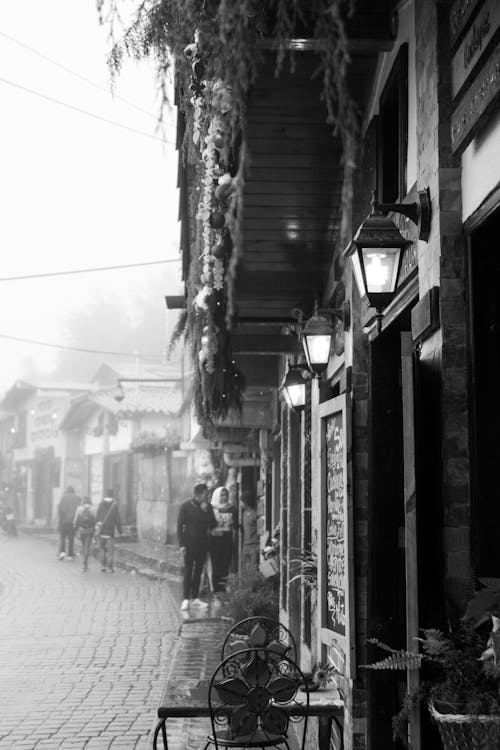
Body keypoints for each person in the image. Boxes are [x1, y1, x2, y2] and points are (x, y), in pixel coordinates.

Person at [177, 481, 216, 611]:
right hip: (188, 544)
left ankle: (195, 599)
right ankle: (186, 599)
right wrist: (182, 545)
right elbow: (179, 526)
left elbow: (213, 523)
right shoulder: (186, 506)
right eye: (206, 494)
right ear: (199, 494)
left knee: (198, 571)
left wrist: (206, 511)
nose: (207, 496)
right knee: (188, 571)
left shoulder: (207, 507)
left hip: (203, 544)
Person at [209, 486, 237, 603]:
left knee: (225, 566)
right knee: (216, 566)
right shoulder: (210, 508)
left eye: (225, 495)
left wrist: (233, 524)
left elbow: (236, 524)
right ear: (216, 496)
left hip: (227, 540)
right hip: (214, 541)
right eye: (221, 495)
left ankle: (223, 591)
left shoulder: (232, 508)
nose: (224, 497)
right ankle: (216, 593)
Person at [95, 490, 122, 573]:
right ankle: (110, 568)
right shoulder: (114, 505)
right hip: (110, 532)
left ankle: (103, 566)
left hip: (102, 531)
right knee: (110, 551)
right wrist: (120, 530)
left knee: (102, 549)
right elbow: (117, 519)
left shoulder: (100, 504)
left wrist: (97, 526)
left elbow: (97, 517)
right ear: (112, 496)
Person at [57, 486, 81, 560]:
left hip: (64, 520)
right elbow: (79, 510)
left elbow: (60, 509)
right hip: (73, 521)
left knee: (63, 536)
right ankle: (70, 553)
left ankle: (62, 552)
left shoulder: (63, 497)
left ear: (67, 491)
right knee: (71, 537)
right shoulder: (77, 498)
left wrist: (60, 521)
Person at [73, 497, 95, 572]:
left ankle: (84, 563)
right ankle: (85, 563)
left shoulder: (79, 508)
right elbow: (95, 520)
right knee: (87, 547)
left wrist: (75, 529)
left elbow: (75, 520)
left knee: (83, 546)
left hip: (81, 530)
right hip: (90, 531)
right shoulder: (93, 509)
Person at [241, 490, 259, 572]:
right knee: (245, 569)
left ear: (246, 502)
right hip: (245, 545)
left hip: (254, 545)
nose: (240, 503)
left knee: (253, 569)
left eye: (242, 501)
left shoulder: (255, 514)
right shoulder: (243, 513)